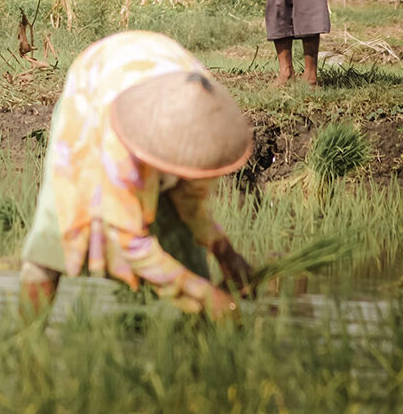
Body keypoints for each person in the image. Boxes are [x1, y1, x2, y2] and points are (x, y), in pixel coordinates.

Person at [19, 31, 254, 321]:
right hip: (96, 87)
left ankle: (194, 343)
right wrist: (207, 295)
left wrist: (224, 250)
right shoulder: (116, 142)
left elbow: (191, 203)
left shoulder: (204, 118)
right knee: (57, 225)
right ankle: (23, 341)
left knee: (181, 238)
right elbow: (129, 242)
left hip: (156, 70)